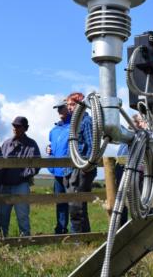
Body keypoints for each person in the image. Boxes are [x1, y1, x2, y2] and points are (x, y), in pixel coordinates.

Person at [0, 116, 41, 237]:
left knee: (22, 215)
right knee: (2, 215)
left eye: (18, 126)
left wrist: (22, 175)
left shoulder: (32, 145)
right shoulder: (6, 143)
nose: (15, 128)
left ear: (25, 128)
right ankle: (2, 239)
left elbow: (36, 165)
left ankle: (25, 239)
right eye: (14, 126)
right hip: (5, 185)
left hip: (21, 185)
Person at [64, 92, 96, 233]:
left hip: (80, 168)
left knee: (77, 205)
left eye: (72, 104)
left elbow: (92, 146)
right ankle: (83, 237)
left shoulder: (86, 122)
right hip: (72, 168)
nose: (69, 108)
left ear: (80, 104)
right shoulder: (75, 123)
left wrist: (86, 167)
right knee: (77, 205)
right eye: (68, 105)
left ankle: (78, 238)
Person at [114, 114, 147, 227]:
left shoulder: (144, 137)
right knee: (121, 202)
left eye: (141, 121)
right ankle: (121, 228)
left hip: (137, 173)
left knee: (137, 202)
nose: (140, 124)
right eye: (139, 121)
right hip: (123, 171)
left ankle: (139, 226)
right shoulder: (128, 136)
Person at [47, 99, 71, 234]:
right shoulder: (54, 130)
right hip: (57, 172)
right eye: (58, 108)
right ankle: (60, 229)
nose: (59, 111)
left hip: (70, 171)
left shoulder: (74, 126)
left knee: (74, 202)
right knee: (60, 202)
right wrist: (48, 151)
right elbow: (52, 147)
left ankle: (76, 233)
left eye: (62, 107)